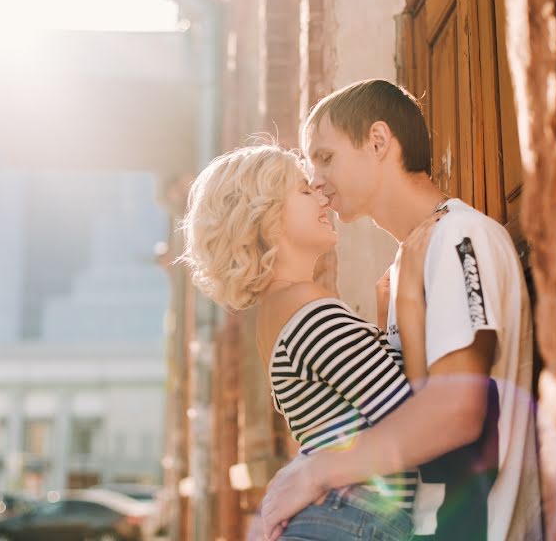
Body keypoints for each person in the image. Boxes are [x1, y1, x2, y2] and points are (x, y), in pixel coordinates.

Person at [260, 79, 542, 541]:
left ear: (377, 141)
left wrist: (317, 472)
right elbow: (416, 405)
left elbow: (455, 414)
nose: (315, 179)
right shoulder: (411, 260)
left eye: (325, 156)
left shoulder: (456, 236)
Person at [178, 143, 435, 540]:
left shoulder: (278, 314)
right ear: (264, 218)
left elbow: (348, 418)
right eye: (303, 190)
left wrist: (386, 324)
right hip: (354, 522)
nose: (321, 194)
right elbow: (410, 422)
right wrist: (412, 304)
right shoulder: (309, 309)